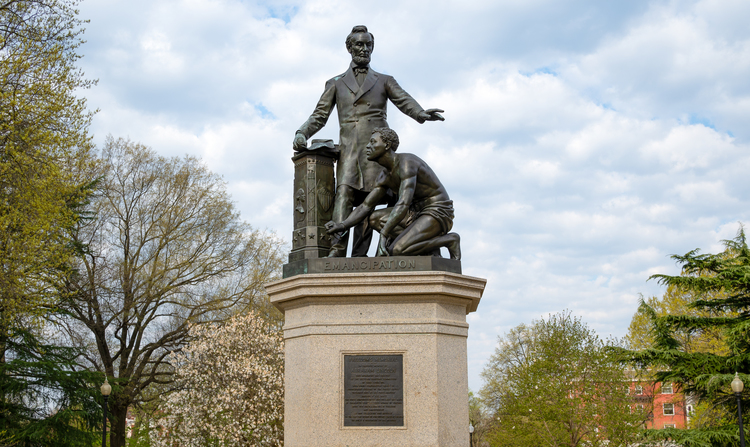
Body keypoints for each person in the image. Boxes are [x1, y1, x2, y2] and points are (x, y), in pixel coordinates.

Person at [293, 25, 444, 258]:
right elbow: (320, 115)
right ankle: (337, 250)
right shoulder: (335, 83)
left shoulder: (384, 80)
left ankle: (361, 255)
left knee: (370, 201)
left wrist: (420, 113)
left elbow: (403, 100)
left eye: (368, 45)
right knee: (344, 197)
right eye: (360, 45)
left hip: (377, 153)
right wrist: (303, 132)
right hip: (350, 154)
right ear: (349, 47)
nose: (364, 49)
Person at [325, 128, 461, 260]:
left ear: (387, 145)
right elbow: (366, 206)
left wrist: (384, 234)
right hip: (414, 213)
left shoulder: (407, 163)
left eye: (373, 142)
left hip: (436, 211)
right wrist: (342, 225)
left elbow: (403, 203)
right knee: (373, 219)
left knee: (397, 250)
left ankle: (449, 240)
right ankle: (421, 244)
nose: (367, 146)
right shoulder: (384, 175)